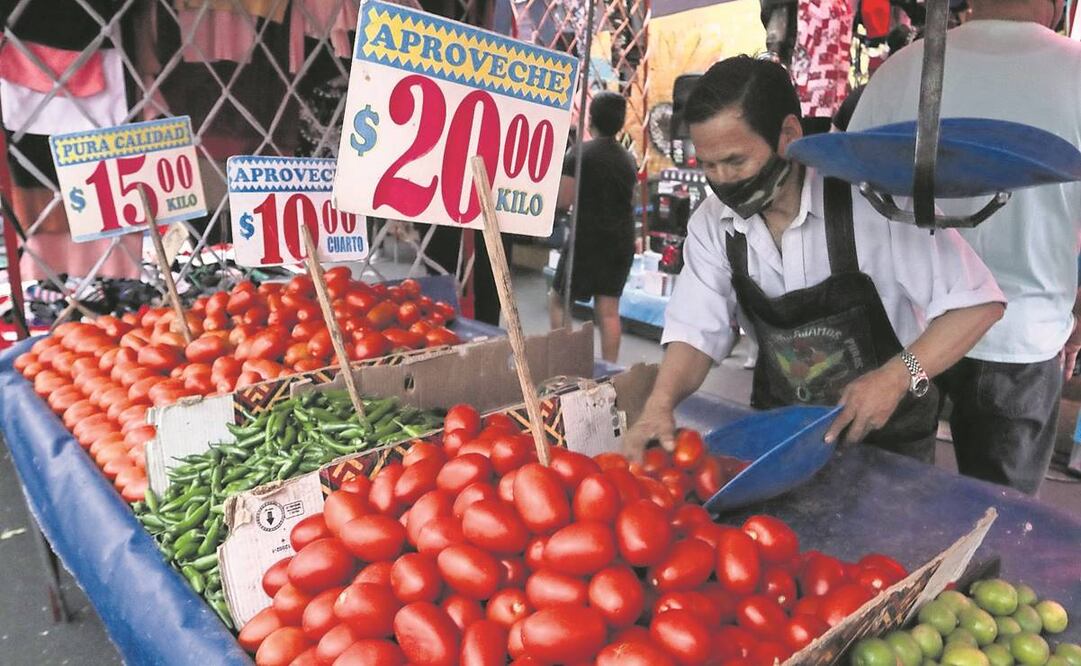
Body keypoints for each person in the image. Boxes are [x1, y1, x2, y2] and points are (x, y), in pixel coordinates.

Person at [624, 56, 1006, 463]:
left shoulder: (872, 202)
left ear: (788, 134)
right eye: (708, 165)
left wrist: (897, 376)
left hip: (889, 446)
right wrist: (660, 402)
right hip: (782, 439)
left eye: (736, 161)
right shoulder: (713, 223)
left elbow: (978, 304)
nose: (722, 180)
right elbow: (696, 330)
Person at [848, 0, 1081, 495]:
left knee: (884, 504)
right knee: (1001, 519)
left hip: (905, 331)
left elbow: (849, 200)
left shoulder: (902, 69)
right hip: (1024, 334)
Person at [549, 91, 638, 363]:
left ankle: (566, 361)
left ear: (591, 119)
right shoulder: (628, 159)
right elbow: (630, 200)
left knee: (559, 299)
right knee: (608, 311)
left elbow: (564, 200)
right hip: (620, 240)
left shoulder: (578, 153)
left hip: (586, 239)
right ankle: (611, 371)